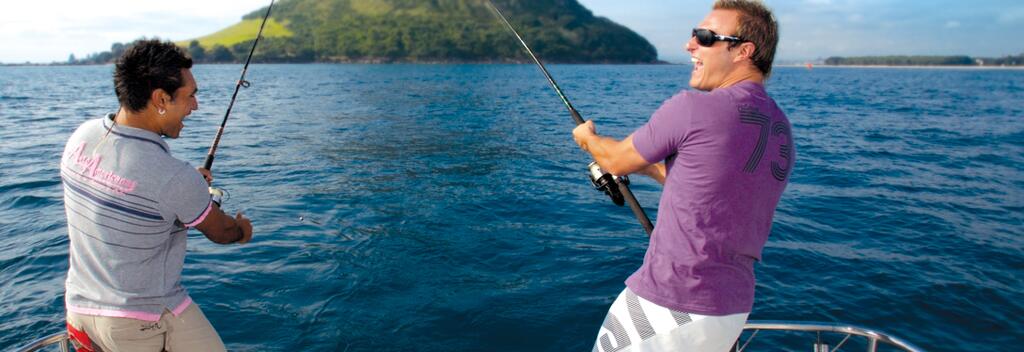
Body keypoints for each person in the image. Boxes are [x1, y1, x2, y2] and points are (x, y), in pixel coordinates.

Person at [572, 1, 793, 350]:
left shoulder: (693, 108)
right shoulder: (779, 128)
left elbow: (614, 160)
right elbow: (710, 185)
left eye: (704, 36)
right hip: (731, 310)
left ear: (743, 51)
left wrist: (588, 138)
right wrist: (648, 168)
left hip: (671, 303)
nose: (689, 45)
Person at [60, 39, 253, 352]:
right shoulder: (174, 177)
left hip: (80, 312)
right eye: (190, 96)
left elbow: (131, 193)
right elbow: (222, 232)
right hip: (139, 322)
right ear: (161, 98)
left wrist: (188, 190)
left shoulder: (81, 137)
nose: (195, 106)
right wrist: (244, 230)